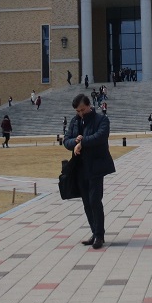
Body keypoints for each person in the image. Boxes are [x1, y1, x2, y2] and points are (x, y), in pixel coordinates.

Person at [63, 94, 115, 249]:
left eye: (82, 110)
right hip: (79, 168)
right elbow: (67, 141)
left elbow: (100, 137)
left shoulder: (101, 120)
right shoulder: (74, 121)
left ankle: (99, 235)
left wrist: (82, 142)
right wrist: (75, 142)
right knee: (86, 202)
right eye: (78, 111)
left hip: (96, 167)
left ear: (89, 106)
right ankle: (94, 232)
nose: (80, 113)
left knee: (94, 200)